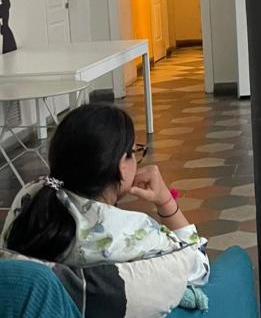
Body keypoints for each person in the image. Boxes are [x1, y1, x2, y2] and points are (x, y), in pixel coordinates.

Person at [0, 104, 209, 287]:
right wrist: (165, 201)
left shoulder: (30, 196)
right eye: (134, 152)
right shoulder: (132, 231)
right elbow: (199, 268)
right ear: (121, 166)